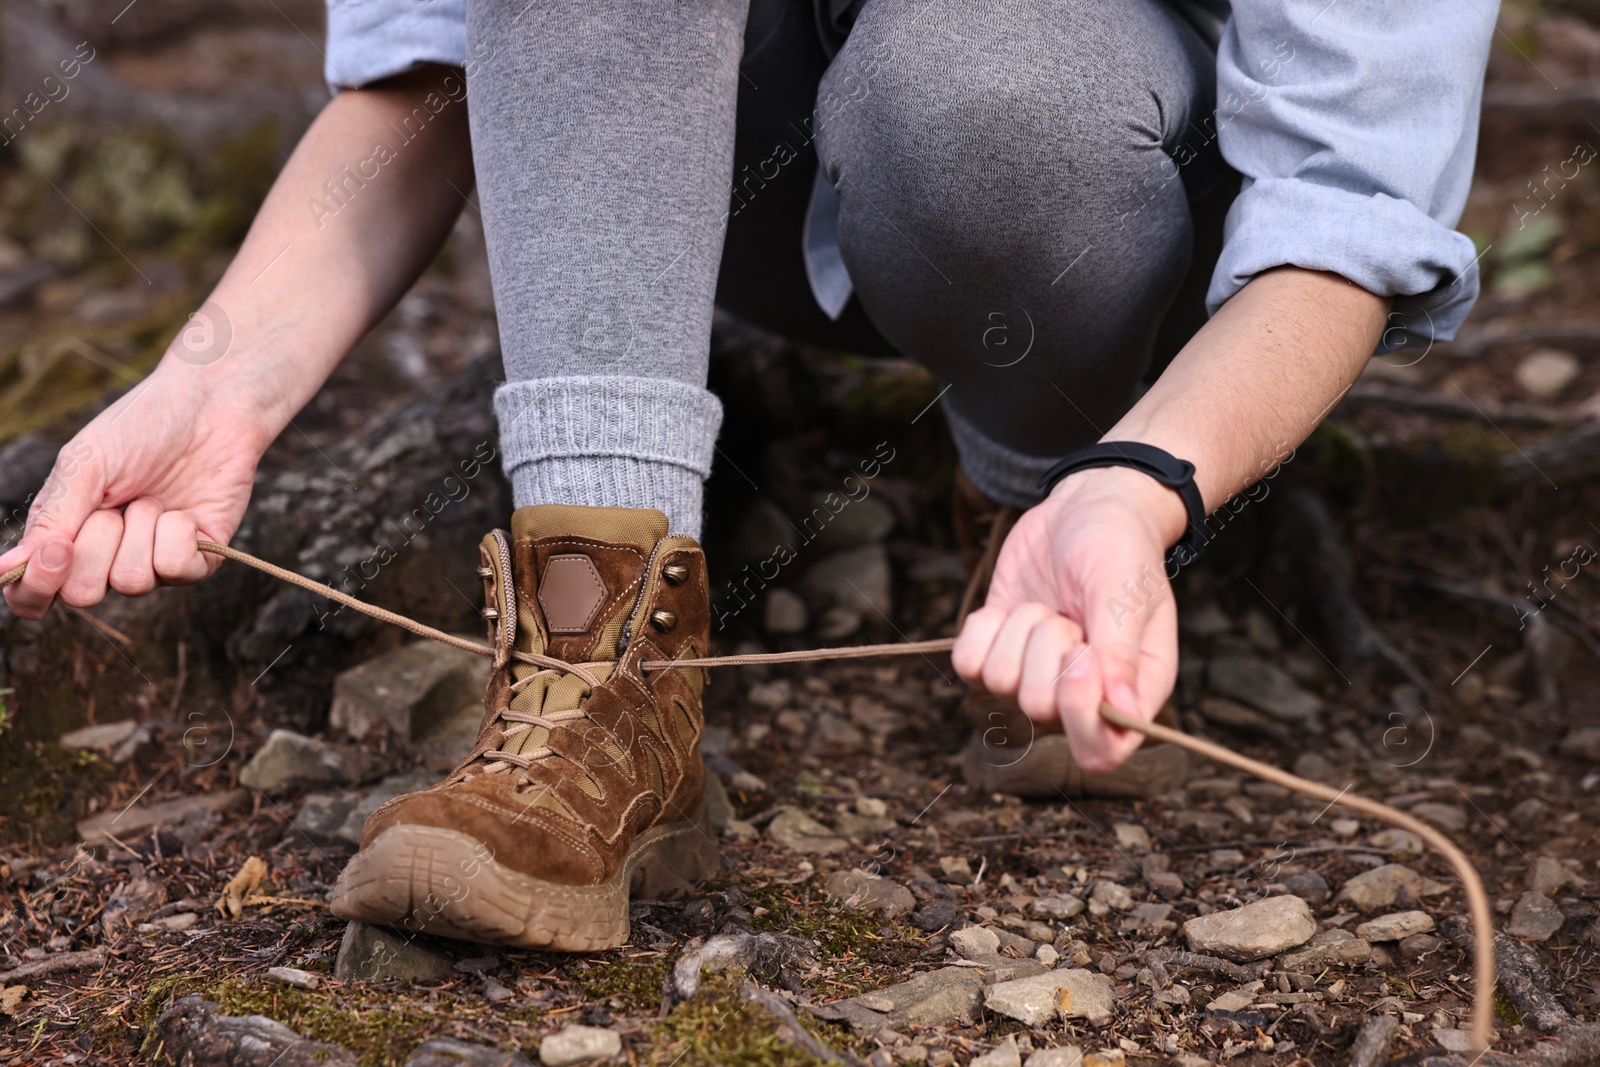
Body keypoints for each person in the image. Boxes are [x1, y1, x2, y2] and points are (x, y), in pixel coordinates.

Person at [0, 0, 1495, 950]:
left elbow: (1342, 213)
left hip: (1103, 176)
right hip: (705, 155)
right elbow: (435, 67)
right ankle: (604, 671)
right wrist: (213, 379)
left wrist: (1139, 482)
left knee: (982, 90)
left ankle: (1044, 498)